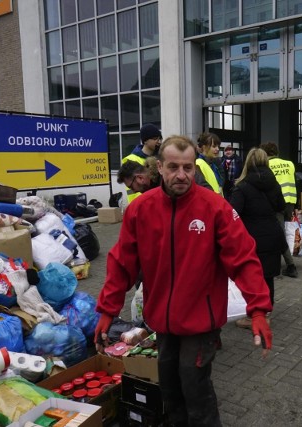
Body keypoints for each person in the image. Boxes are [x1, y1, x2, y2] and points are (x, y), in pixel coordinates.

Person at [94, 135, 273, 426]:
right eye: (174, 167)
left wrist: (258, 309)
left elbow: (244, 259)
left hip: (201, 321)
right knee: (170, 390)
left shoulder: (215, 208)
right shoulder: (141, 210)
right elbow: (122, 262)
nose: (181, 175)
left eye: (188, 168)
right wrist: (107, 310)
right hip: (163, 322)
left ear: (195, 168)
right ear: (160, 168)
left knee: (196, 391)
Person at [229, 148, 287, 329]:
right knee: (268, 275)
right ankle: (266, 311)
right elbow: (281, 206)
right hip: (272, 234)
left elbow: (233, 213)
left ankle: (254, 315)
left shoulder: (242, 186)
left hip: (252, 236)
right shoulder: (274, 183)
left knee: (251, 276)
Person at [259, 141, 299, 278]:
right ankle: (284, 262)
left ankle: (290, 265)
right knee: (285, 232)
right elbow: (295, 182)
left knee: (279, 235)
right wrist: (296, 206)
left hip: (277, 204)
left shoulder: (266, 165)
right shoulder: (289, 164)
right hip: (290, 203)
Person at [122, 123, 162, 203]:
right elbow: (131, 191)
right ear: (145, 141)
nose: (159, 142)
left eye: (160, 139)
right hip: (142, 205)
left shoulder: (161, 157)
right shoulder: (131, 160)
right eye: (155, 139)